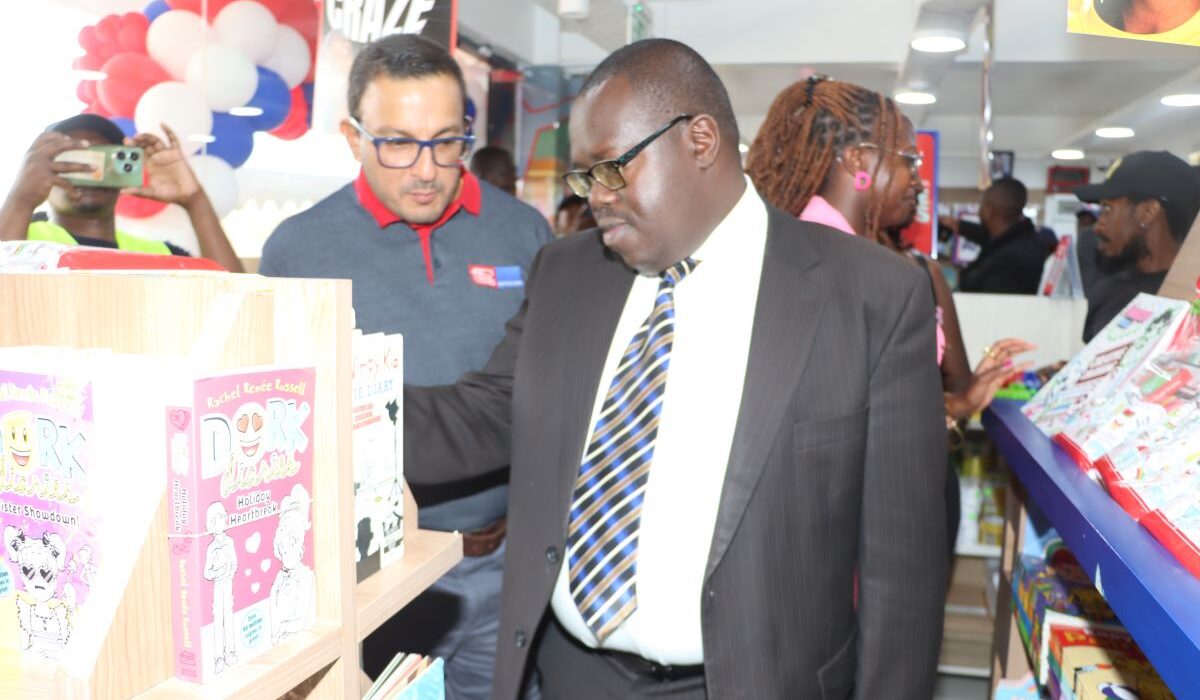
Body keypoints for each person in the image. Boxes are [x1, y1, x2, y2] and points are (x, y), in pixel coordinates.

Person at [402, 38, 948, 699]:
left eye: (611, 169)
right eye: (584, 178)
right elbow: (486, 413)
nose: (595, 198)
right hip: (573, 676)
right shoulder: (569, 273)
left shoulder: (868, 296)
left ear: (700, 141)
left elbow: (903, 570)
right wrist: (346, 412)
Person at [258, 34, 552, 699]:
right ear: (351, 137)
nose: (426, 170)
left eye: (447, 142)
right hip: (381, 577)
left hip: (509, 562)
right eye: (397, 143)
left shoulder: (524, 234)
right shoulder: (299, 251)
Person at [745, 75, 1032, 560]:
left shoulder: (904, 268)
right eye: (908, 160)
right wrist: (951, 411)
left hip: (905, 494)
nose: (918, 179)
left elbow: (894, 401)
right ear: (859, 160)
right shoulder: (804, 266)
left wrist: (961, 401)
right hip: (842, 520)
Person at [0, 114, 243, 272]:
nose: (91, 170)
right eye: (75, 160)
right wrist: (21, 200)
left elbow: (237, 300)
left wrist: (195, 200)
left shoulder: (163, 255)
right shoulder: (21, 241)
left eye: (105, 159)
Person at [1075, 150, 1200, 341]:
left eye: (1108, 209)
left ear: (1148, 212)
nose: (1098, 226)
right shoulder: (1109, 290)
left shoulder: (1190, 297)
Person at [945, 177, 1048, 294]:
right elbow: (985, 236)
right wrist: (958, 225)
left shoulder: (1005, 261)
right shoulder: (1025, 240)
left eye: (982, 206)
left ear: (990, 211)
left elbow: (974, 288)